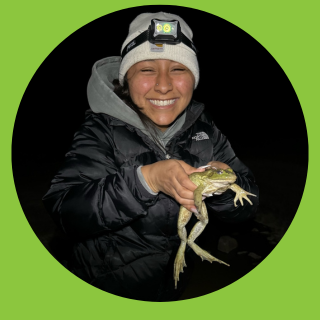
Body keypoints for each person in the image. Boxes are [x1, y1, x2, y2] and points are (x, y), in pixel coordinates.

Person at [43, 12, 259, 301]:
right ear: (126, 78)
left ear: (194, 78)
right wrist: (146, 181)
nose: (164, 84)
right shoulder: (100, 130)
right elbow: (64, 211)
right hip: (105, 285)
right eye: (146, 69)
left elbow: (247, 205)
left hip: (174, 282)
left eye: (179, 69)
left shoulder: (206, 130)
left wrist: (218, 189)